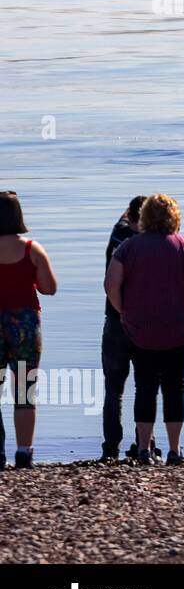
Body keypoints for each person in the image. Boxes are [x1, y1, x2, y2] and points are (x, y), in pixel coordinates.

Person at [105, 194, 184, 465]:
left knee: (145, 386)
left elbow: (110, 284)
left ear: (144, 217)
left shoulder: (129, 247)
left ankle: (144, 449)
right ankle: (175, 450)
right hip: (178, 327)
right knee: (175, 387)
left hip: (140, 327)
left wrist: (123, 312)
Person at [0, 192, 59, 469]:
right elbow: (49, 288)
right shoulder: (32, 250)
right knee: (25, 390)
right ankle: (24, 453)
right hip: (24, 325)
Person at [102, 195, 148, 462]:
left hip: (115, 320)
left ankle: (110, 448)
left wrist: (120, 311)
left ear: (129, 216)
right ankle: (145, 444)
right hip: (144, 322)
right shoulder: (154, 244)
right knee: (146, 384)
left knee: (113, 389)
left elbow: (110, 284)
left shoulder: (119, 236)